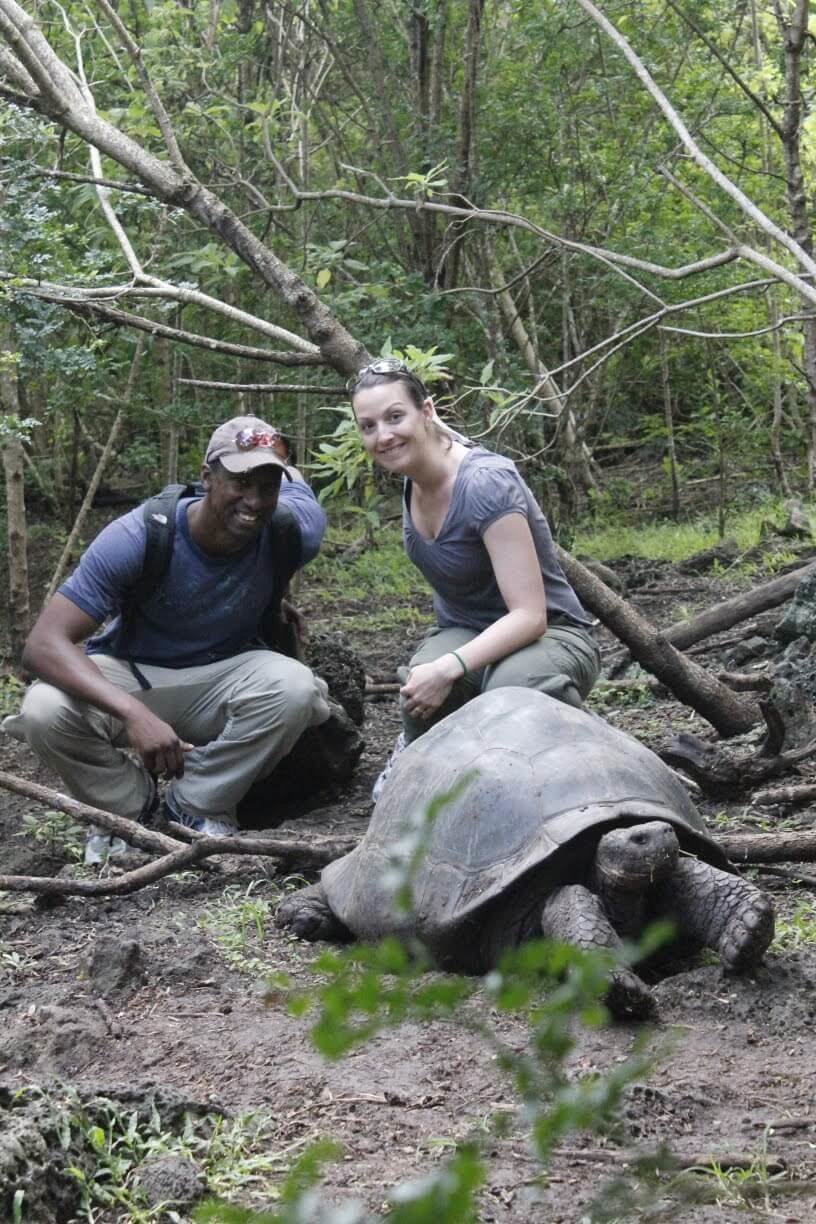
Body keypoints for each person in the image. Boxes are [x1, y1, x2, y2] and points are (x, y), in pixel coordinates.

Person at [4, 415, 331, 860]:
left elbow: (299, 490)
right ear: (206, 478)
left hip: (228, 670)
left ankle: (197, 805)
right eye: (239, 481)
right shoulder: (141, 535)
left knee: (296, 687)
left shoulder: (294, 528)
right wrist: (133, 713)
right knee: (44, 709)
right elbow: (43, 644)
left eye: (267, 484)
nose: (254, 500)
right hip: (134, 671)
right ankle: (126, 810)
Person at [348, 359, 601, 797]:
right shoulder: (412, 476)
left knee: (510, 695)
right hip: (467, 628)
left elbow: (530, 616)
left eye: (395, 417)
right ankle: (431, 766)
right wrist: (439, 670)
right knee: (419, 691)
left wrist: (451, 667)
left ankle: (593, 762)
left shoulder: (484, 483)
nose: (383, 436)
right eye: (368, 426)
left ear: (426, 412)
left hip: (553, 633)